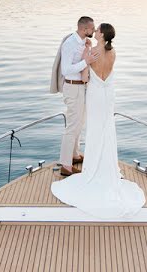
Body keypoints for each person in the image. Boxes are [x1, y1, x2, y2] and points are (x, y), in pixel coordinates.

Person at [51, 23, 146, 218]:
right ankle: (106, 167)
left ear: (101, 34)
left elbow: (85, 78)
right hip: (108, 96)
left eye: (97, 30)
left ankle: (91, 168)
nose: (94, 31)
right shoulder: (113, 53)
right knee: (106, 129)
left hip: (94, 95)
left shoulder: (92, 51)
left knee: (94, 131)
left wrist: (86, 58)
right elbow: (107, 72)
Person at [50, 16, 99, 176]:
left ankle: (74, 155)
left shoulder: (83, 42)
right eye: (92, 28)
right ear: (85, 29)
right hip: (73, 87)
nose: (94, 30)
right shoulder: (70, 44)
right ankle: (66, 165)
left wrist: (87, 55)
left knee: (79, 123)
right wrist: (87, 61)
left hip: (81, 88)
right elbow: (65, 70)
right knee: (72, 126)